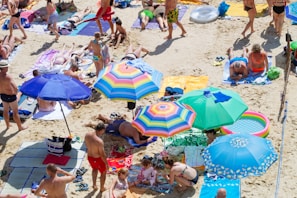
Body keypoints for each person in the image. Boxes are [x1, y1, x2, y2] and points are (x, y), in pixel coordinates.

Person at [0, 63, 27, 131]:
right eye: (6, 67)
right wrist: (15, 93)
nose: (7, 68)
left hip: (3, 95)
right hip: (11, 96)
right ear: (3, 68)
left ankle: (8, 125)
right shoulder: (8, 77)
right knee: (15, 112)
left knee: (5, 111)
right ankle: (20, 127)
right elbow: (15, 88)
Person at [84, 121, 109, 192]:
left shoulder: (87, 134)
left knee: (94, 169)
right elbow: (102, 154)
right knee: (103, 173)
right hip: (97, 158)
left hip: (90, 157)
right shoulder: (99, 141)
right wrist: (107, 164)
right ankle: (102, 188)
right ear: (102, 130)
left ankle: (94, 185)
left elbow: (86, 145)